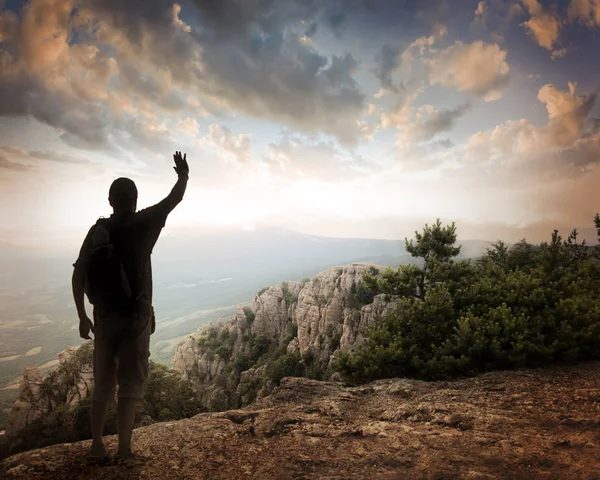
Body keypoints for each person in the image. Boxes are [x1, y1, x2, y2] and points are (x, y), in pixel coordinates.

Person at [71, 151, 189, 459]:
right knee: (130, 385)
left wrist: (83, 317)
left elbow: (79, 273)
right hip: (136, 320)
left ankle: (97, 445)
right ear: (134, 200)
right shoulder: (143, 223)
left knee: (101, 386)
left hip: (104, 319)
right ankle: (124, 449)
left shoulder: (99, 231)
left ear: (111, 200)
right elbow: (172, 200)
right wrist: (183, 175)